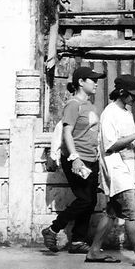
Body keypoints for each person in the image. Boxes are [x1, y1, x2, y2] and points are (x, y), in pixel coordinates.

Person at [87, 74, 135, 266]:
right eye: (132, 95)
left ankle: (94, 251)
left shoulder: (126, 113)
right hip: (116, 169)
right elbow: (111, 145)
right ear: (121, 93)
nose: (134, 99)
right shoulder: (109, 113)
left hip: (125, 168)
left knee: (111, 213)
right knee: (131, 213)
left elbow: (129, 142)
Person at [41, 65, 106, 254]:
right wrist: (75, 157)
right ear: (81, 82)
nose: (95, 83)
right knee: (85, 199)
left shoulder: (90, 106)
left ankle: (78, 240)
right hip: (77, 159)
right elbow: (66, 133)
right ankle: (52, 229)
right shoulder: (73, 104)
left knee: (91, 200)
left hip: (91, 159)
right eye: (92, 80)